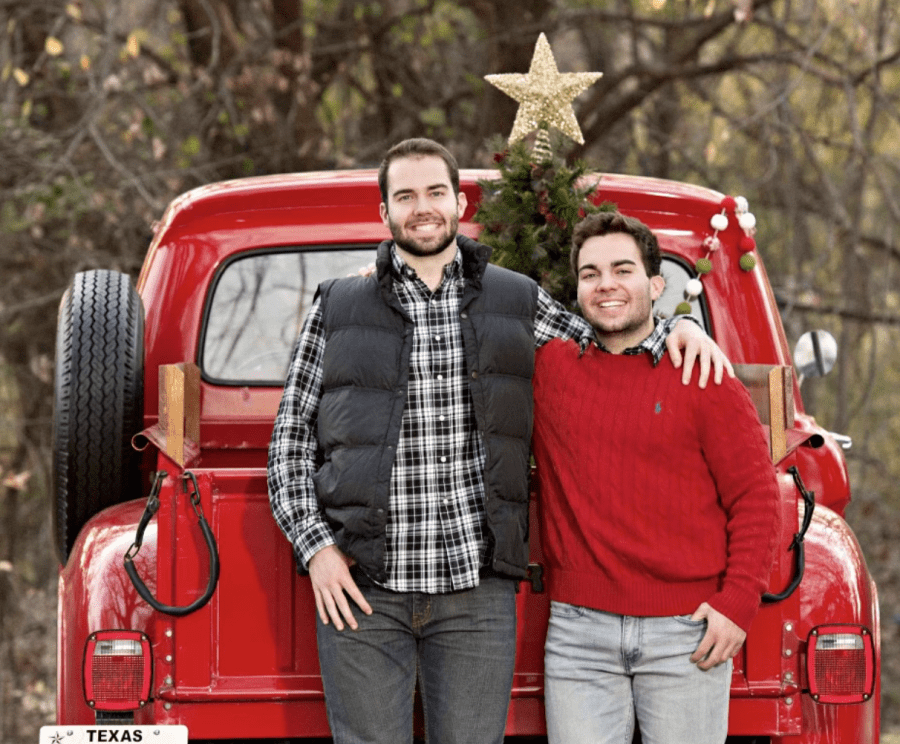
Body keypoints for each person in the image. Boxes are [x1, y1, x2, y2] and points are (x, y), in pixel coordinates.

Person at [267, 138, 730, 744]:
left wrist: (681, 326)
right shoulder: (337, 307)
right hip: (363, 591)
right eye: (404, 196)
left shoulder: (515, 299)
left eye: (435, 192)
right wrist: (318, 551)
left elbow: (608, 342)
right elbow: (288, 449)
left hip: (476, 593)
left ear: (459, 203)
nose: (422, 207)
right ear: (384, 214)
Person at [531, 210, 780, 744]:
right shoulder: (549, 368)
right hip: (579, 633)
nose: (607, 285)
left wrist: (737, 605)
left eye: (623, 270)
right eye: (591, 274)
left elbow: (757, 497)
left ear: (656, 283)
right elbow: (466, 302)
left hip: (686, 631)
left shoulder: (703, 376)